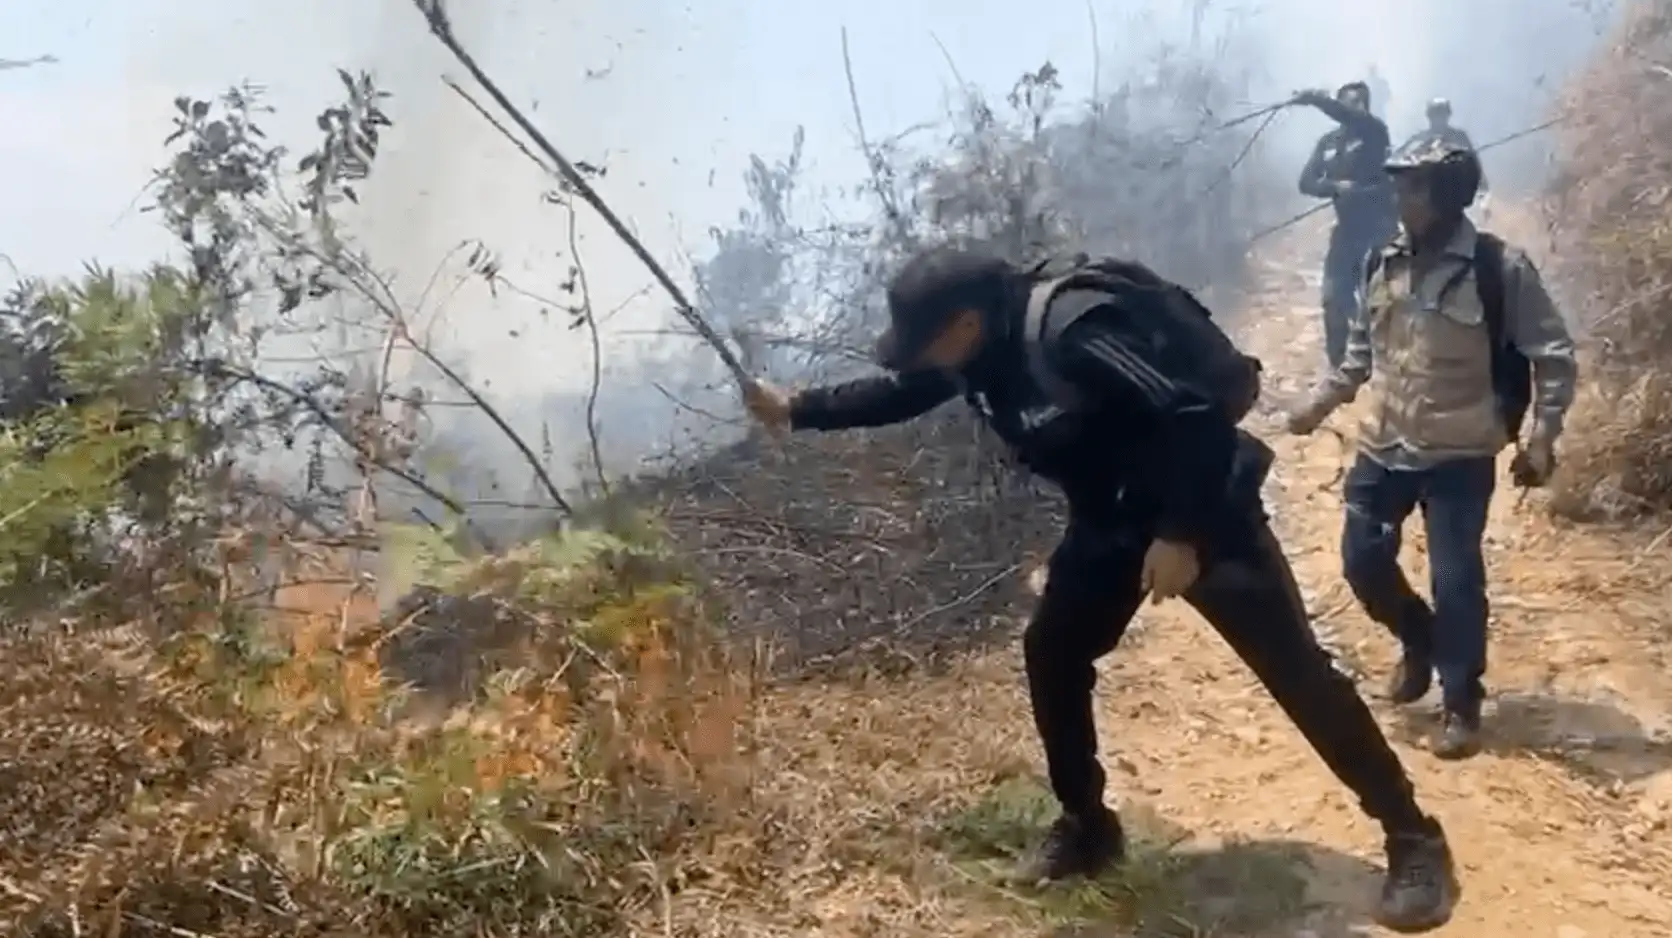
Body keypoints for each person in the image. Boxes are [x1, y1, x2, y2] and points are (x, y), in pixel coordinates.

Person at [741, 244, 1460, 932]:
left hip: (1204, 511)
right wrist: (798, 408)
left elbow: (1194, 416)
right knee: (1052, 654)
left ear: (963, 325)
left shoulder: (1074, 334)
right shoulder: (976, 355)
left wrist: (1181, 536)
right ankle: (1088, 827)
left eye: (926, 343)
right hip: (1109, 523)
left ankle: (1412, 836)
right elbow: (903, 392)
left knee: (1297, 673)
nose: (923, 359)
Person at [1286, 139, 1578, 759]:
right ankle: (1420, 638)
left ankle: (1460, 701)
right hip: (1384, 442)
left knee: (1455, 577)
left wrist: (1542, 438)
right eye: (1399, 184)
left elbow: (1553, 357)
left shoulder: (1500, 268)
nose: (1400, 197)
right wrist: (1318, 404)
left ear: (1447, 194)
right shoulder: (1380, 262)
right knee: (1362, 562)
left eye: (1413, 186)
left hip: (1460, 451)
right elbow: (1360, 355)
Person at [1295, 83, 1399, 371]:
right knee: (1333, 298)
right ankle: (1339, 366)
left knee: (1381, 299)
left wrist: (1316, 100)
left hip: (1380, 227)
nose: (1354, 108)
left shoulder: (1374, 132)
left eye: (1358, 102)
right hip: (1347, 230)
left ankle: (1386, 363)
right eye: (1347, 102)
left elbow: (1350, 116)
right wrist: (1334, 186)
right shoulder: (1328, 143)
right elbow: (1306, 182)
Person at [1399, 99, 1491, 219]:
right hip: (1426, 202)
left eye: (1441, 115)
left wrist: (1483, 198)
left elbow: (1475, 167)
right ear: (1429, 117)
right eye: (1435, 116)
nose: (1438, 120)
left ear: (1447, 116)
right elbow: (1401, 162)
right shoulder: (1418, 140)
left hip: (1453, 197)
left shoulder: (1459, 137)